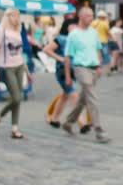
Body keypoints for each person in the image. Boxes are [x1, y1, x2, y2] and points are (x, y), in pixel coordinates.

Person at [62, 7, 111, 143]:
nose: (91, 18)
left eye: (92, 16)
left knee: (83, 99)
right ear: (81, 17)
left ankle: (68, 122)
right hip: (80, 68)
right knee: (92, 97)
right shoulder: (73, 35)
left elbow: (98, 49)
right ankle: (99, 130)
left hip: (94, 69)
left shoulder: (93, 33)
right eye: (88, 16)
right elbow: (67, 57)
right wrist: (67, 76)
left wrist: (99, 65)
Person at [42, 17, 89, 132]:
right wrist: (60, 58)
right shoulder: (61, 39)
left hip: (72, 70)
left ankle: (54, 118)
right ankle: (81, 123)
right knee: (73, 95)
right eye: (74, 25)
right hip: (62, 71)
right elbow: (46, 49)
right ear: (67, 27)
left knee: (65, 95)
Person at [0, 8, 30, 139]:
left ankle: (14, 128)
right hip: (7, 67)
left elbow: (19, 52)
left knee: (17, 99)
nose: (16, 18)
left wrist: (27, 70)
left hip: (19, 65)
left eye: (18, 16)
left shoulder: (18, 31)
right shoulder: (1, 30)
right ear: (8, 17)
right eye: (13, 16)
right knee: (17, 97)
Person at [92, 10, 112, 75]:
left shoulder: (94, 22)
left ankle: (98, 70)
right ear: (103, 17)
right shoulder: (105, 23)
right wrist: (112, 37)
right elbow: (108, 32)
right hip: (104, 41)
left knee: (98, 56)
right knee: (106, 55)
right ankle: (108, 71)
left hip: (95, 41)